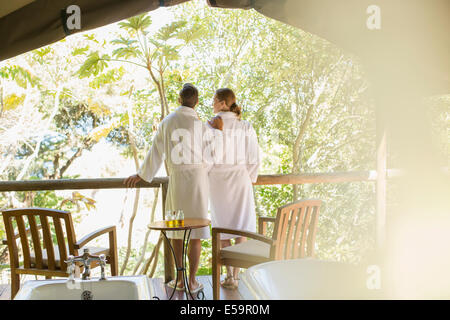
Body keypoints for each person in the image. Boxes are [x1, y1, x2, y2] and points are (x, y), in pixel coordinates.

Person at [124, 83, 223, 293]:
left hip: (177, 179)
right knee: (195, 232)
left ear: (179, 99)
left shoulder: (167, 122)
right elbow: (213, 154)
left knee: (177, 230)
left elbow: (156, 152)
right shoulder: (202, 125)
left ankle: (180, 279)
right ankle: (193, 281)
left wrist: (141, 175)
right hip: (197, 180)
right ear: (196, 101)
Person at [207, 88, 261, 289]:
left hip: (217, 181)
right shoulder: (245, 126)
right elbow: (254, 157)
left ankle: (228, 275)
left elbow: (206, 156)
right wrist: (248, 178)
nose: (212, 103)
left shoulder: (210, 124)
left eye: (214, 100)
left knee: (221, 228)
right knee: (240, 227)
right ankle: (235, 277)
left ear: (222, 103)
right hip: (240, 179)